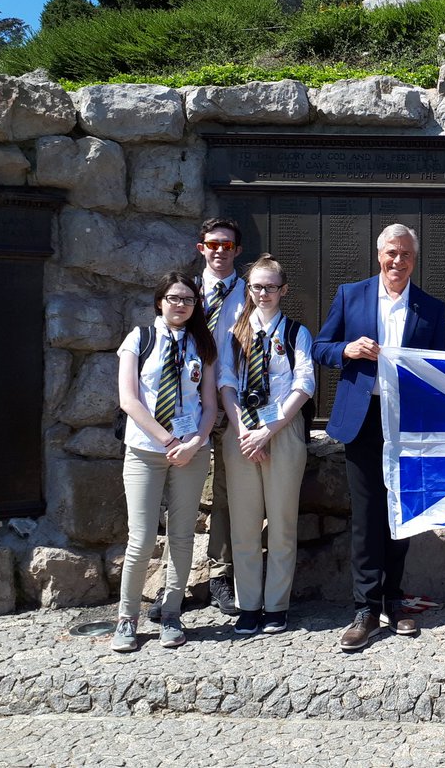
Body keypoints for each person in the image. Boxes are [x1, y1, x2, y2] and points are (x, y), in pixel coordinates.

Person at [312, 224, 445, 651]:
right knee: (368, 514)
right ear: (379, 254)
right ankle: (366, 608)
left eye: (406, 254)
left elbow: (440, 368)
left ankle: (396, 599)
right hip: (363, 419)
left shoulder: (430, 308)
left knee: (401, 512)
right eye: (392, 253)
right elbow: (320, 347)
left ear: (414, 258)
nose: (398, 261)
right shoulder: (350, 294)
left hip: (406, 422)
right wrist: (348, 350)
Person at [112, 273, 218, 653]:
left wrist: (194, 442)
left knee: (182, 537)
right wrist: (168, 440)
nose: (181, 305)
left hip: (190, 452)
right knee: (140, 539)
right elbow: (129, 400)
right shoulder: (139, 339)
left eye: (189, 299)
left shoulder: (201, 345)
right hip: (146, 449)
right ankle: (127, 619)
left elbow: (209, 405)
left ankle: (171, 613)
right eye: (174, 298)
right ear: (160, 301)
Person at [218, 254, 314, 636]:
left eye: (270, 287)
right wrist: (245, 429)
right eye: (257, 286)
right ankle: (249, 605)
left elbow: (304, 384)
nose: (263, 293)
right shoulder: (234, 334)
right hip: (241, 432)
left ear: (283, 290)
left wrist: (268, 430)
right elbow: (226, 381)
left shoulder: (295, 333)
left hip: (282, 431)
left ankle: (276, 605)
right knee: (243, 525)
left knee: (281, 523)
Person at [192, 218, 247, 618]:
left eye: (227, 246)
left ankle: (220, 574)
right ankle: (176, 581)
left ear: (237, 252)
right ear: (201, 248)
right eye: (213, 244)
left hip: (232, 404)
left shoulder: (251, 294)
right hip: (187, 407)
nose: (219, 251)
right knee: (182, 493)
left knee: (227, 496)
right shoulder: (184, 294)